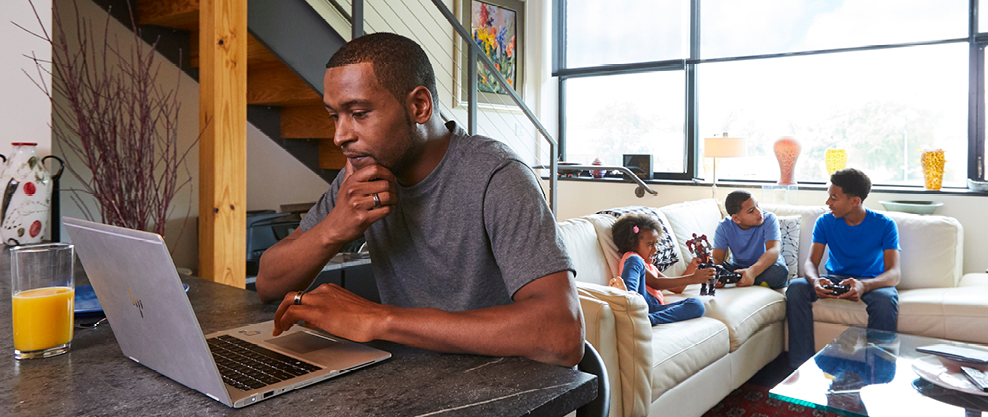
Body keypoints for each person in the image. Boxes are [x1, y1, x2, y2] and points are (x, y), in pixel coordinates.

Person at [254, 33, 584, 367]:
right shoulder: (360, 175)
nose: (340, 136)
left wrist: (379, 319)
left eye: (359, 113)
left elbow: (563, 335)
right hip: (410, 379)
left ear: (419, 106)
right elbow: (268, 282)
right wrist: (332, 228)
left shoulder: (499, 177)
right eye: (334, 116)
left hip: (498, 386)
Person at [785, 168, 901, 366]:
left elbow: (894, 274)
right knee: (796, 288)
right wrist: (815, 281)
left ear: (855, 201)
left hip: (870, 282)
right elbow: (810, 263)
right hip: (836, 278)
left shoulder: (885, 224)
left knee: (885, 301)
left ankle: (879, 370)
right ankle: (800, 365)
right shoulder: (825, 222)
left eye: (834, 198)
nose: (828, 203)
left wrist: (864, 286)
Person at [609, 214, 709, 325]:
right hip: (640, 300)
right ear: (632, 244)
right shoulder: (632, 257)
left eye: (656, 243)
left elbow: (677, 289)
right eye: (650, 244)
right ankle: (627, 299)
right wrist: (692, 279)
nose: (655, 249)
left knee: (697, 305)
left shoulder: (652, 267)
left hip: (652, 308)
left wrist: (692, 267)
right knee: (635, 260)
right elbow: (656, 283)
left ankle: (648, 320)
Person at [711, 191, 790, 289]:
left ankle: (739, 279)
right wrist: (713, 273)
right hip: (738, 267)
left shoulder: (769, 219)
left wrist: (752, 272)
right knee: (711, 268)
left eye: (757, 205)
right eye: (751, 211)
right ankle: (743, 278)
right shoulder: (724, 226)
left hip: (766, 267)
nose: (758, 211)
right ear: (736, 218)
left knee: (780, 272)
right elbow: (718, 259)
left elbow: (773, 250)